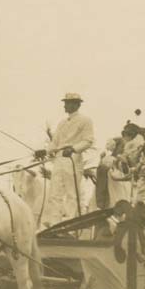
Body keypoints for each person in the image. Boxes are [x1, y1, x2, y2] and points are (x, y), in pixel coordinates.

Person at [36, 93, 95, 228]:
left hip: (72, 159)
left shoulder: (85, 120)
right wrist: (44, 151)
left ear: (77, 104)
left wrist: (74, 149)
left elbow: (88, 141)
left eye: (68, 103)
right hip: (59, 159)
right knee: (55, 192)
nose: (65, 105)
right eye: (65, 102)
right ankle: (54, 224)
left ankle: (68, 225)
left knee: (71, 193)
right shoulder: (62, 122)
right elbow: (55, 143)